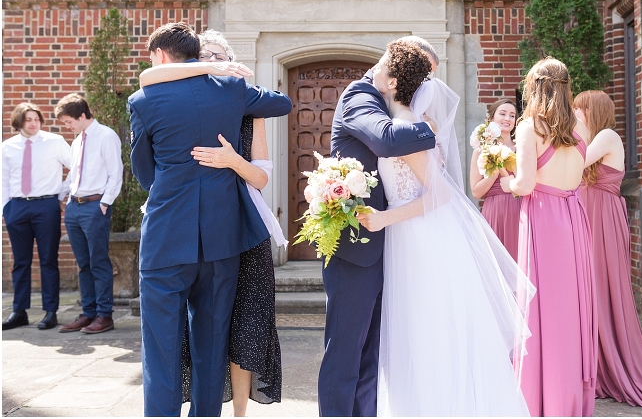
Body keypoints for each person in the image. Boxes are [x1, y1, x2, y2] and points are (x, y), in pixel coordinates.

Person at [357, 41, 533, 416]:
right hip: (407, 236)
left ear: (394, 82)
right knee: (412, 332)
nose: (375, 71)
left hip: (421, 235)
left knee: (427, 330)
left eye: (382, 67)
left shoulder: (405, 128)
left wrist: (384, 218)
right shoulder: (401, 124)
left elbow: (438, 196)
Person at [128, 22, 291, 416]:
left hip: (167, 236)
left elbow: (143, 172)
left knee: (162, 349)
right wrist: (221, 72)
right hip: (222, 237)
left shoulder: (144, 99)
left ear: (162, 56)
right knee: (211, 344)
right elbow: (281, 104)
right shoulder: (233, 90)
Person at [320, 39, 437, 417]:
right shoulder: (359, 96)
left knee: (372, 356)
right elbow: (386, 140)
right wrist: (432, 130)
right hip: (355, 248)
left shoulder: (389, 102)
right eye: (417, 77)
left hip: (388, 244)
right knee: (345, 355)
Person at [499, 57, 598, 416]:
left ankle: (543, 399)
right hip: (574, 218)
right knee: (570, 310)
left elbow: (525, 184)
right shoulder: (580, 129)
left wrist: (506, 180)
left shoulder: (530, 127)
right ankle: (568, 396)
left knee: (544, 310)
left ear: (533, 87)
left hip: (543, 219)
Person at [574, 90, 642, 407]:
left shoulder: (607, 136)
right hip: (587, 214)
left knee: (606, 286)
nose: (575, 112)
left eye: (579, 108)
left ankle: (619, 365)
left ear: (594, 110)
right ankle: (594, 365)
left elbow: (577, 160)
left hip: (604, 218)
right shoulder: (590, 136)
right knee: (587, 290)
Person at [54, 93, 123, 335]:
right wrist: (63, 196)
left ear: (82, 115)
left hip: (95, 207)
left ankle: (105, 315)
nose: (67, 126)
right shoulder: (77, 141)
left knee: (98, 262)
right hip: (74, 208)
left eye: (68, 121)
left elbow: (116, 173)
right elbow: (74, 174)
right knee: (83, 264)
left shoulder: (106, 136)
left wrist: (104, 204)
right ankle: (88, 312)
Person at [2, 102, 71, 331]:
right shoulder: (7, 147)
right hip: (17, 208)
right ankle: (19, 311)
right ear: (19, 122)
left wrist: (60, 194)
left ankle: (50, 311)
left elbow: (76, 167)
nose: (33, 124)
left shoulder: (54, 142)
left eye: (36, 119)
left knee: (48, 260)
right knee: (21, 262)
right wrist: (6, 208)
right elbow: (3, 180)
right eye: (28, 119)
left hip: (46, 207)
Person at [469, 98, 523, 261]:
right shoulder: (481, 150)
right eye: (503, 114)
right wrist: (494, 169)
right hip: (494, 210)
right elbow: (476, 191)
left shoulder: (521, 148)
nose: (507, 118)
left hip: (519, 208)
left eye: (512, 115)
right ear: (492, 118)